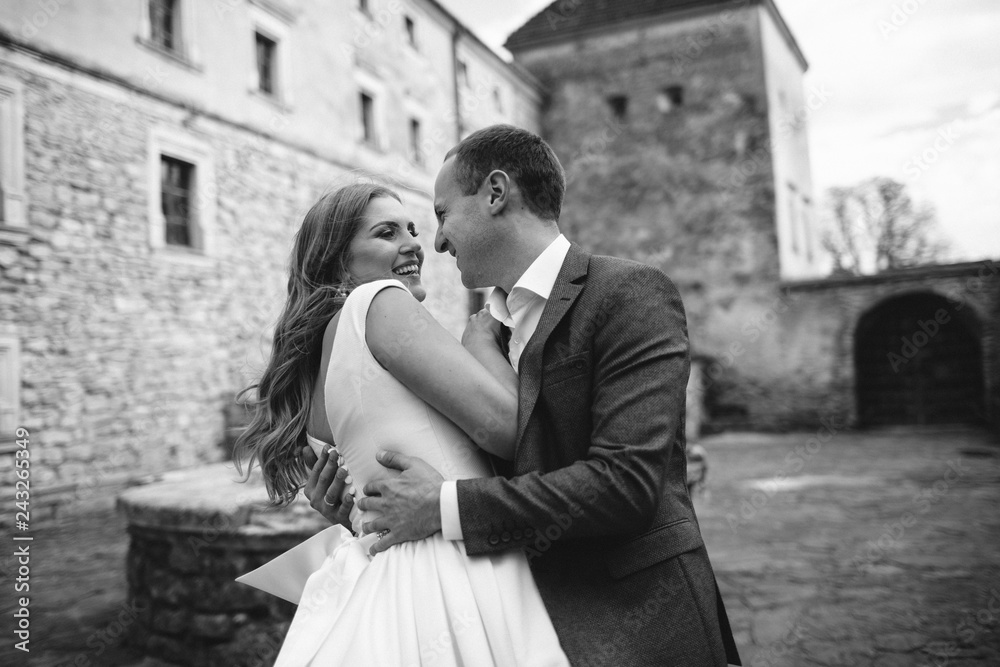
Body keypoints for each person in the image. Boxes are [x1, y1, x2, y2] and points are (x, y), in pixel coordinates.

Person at [306, 125, 742, 666]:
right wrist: (366, 505)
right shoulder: (471, 338)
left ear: (495, 193)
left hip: (633, 621)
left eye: (441, 215)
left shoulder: (627, 294)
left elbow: (627, 485)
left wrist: (443, 505)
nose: (435, 243)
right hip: (503, 620)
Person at [234, 182, 570, 666]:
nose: (414, 243)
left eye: (412, 228)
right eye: (386, 233)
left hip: (387, 587)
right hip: (452, 575)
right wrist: (479, 344)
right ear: (338, 261)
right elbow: (513, 430)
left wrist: (351, 513)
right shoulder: (379, 301)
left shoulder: (316, 366)